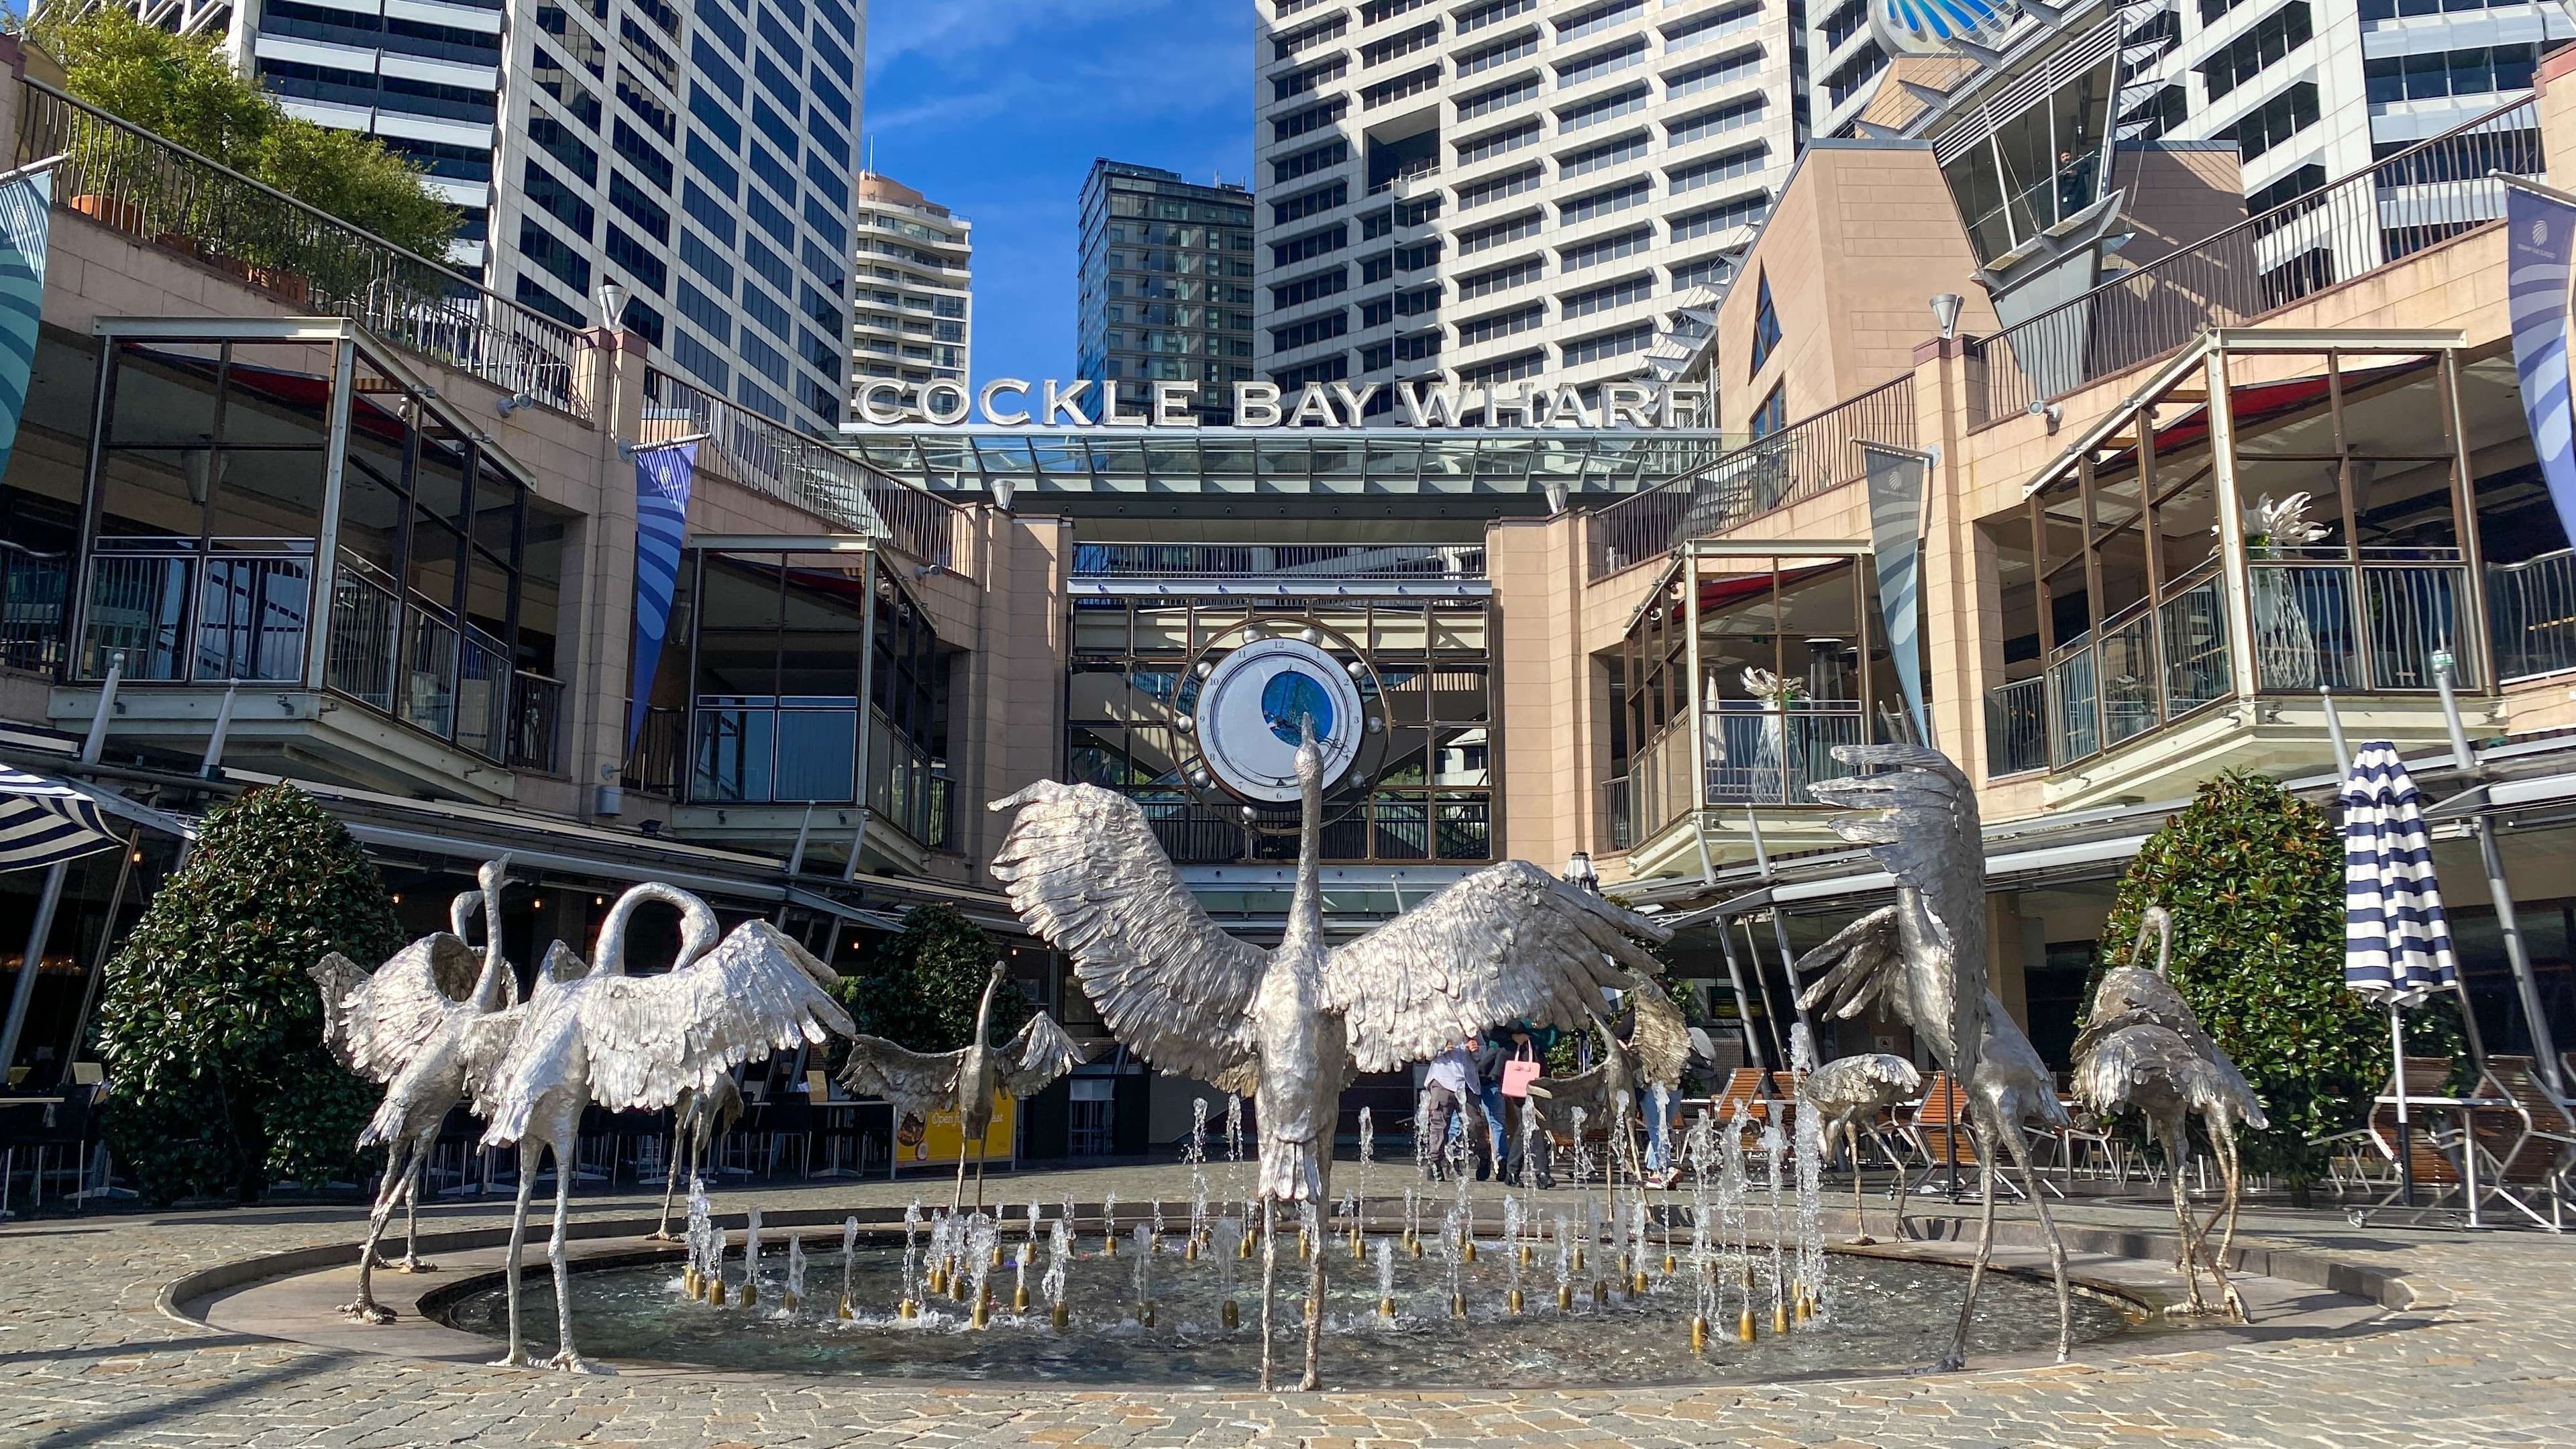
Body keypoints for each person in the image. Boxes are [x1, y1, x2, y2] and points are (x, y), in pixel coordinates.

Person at [1419, 1038, 1476, 1181]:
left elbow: (1482, 1047)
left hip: (1467, 1082)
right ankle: (1435, 1163)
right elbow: (1423, 1050)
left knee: (1476, 1123)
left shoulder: (1472, 1024)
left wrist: (1476, 1049)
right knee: (1439, 1124)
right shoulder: (1437, 1023)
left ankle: (1483, 1158)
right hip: (1443, 1080)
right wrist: (1440, 1048)